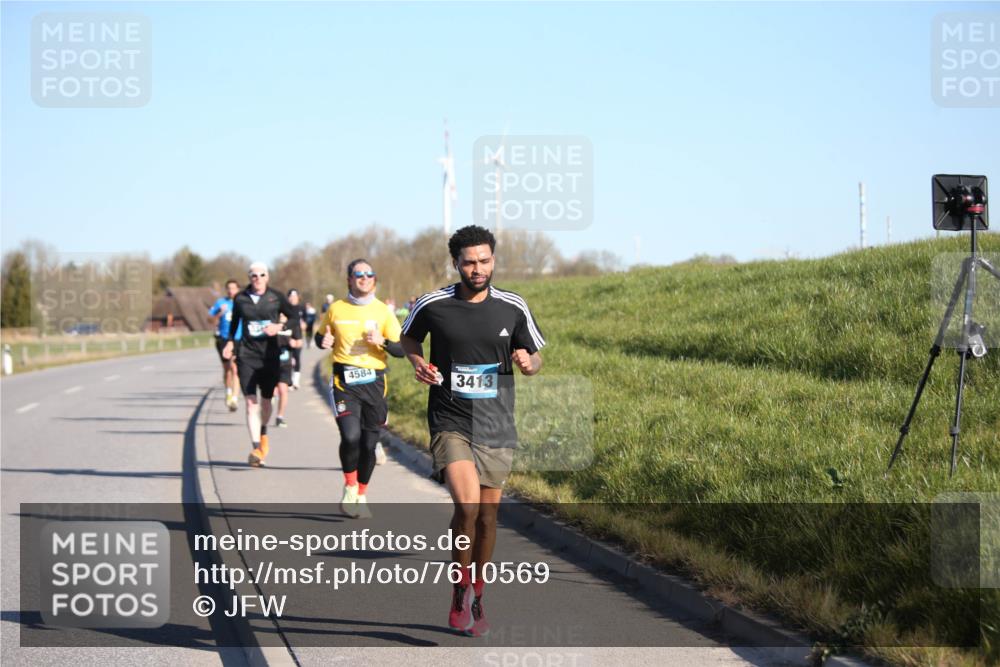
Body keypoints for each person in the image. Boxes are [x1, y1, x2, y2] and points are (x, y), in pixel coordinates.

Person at [400, 225, 545, 637]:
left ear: (493, 260)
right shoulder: (433, 304)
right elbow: (409, 339)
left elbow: (535, 359)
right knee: (466, 507)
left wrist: (527, 363)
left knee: (487, 516)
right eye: (469, 262)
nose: (477, 268)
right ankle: (459, 586)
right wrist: (418, 363)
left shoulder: (513, 306)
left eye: (484, 260)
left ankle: (478, 590)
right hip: (451, 419)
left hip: (496, 423)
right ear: (456, 264)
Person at [316, 259, 403, 519]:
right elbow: (320, 336)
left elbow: (401, 349)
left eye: (368, 274)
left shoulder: (383, 312)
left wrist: (383, 341)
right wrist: (324, 340)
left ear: (374, 280)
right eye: (358, 275)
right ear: (349, 280)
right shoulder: (336, 309)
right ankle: (350, 487)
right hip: (345, 382)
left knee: (369, 445)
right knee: (350, 436)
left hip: (375, 383)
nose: (363, 278)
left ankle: (362, 493)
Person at [222, 262, 300, 467]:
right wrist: (230, 342)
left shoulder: (276, 297)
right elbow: (235, 324)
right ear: (249, 278)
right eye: (253, 275)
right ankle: (257, 447)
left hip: (270, 355)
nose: (257, 278)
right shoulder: (240, 299)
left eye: (261, 275)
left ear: (267, 277)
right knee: (250, 403)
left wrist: (279, 326)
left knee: (266, 403)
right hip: (247, 355)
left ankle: (263, 432)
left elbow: (294, 317)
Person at [208, 279, 242, 411]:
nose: (231, 290)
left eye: (233, 288)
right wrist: (219, 313)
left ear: (238, 289)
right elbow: (209, 319)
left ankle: (234, 398)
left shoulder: (242, 303)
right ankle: (228, 392)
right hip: (223, 338)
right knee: (227, 369)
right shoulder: (220, 303)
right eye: (228, 288)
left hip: (238, 339)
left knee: (235, 368)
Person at [274, 312, 303, 427]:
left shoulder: (292, 326)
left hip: (285, 364)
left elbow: (299, 342)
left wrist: (293, 343)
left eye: (284, 313)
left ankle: (279, 417)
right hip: (271, 363)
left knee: (283, 390)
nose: (281, 315)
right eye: (279, 313)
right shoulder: (272, 325)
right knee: (272, 390)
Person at [285, 289, 306, 389]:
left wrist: (304, 324)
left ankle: (296, 381)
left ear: (298, 297)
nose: (293, 298)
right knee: (289, 359)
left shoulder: (302, 308)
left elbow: (305, 321)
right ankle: (288, 381)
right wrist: (288, 338)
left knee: (297, 357)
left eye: (294, 296)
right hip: (288, 335)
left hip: (298, 335)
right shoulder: (285, 308)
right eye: (291, 296)